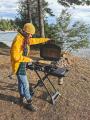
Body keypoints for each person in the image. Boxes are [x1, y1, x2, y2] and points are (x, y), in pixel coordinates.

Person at [10, 23, 50, 111]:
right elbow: (15, 57)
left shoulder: (25, 38)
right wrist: (29, 59)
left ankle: (21, 97)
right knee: (26, 84)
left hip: (22, 63)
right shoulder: (18, 39)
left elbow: (34, 41)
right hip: (18, 65)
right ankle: (29, 103)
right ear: (26, 32)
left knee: (21, 82)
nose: (31, 36)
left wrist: (46, 39)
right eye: (31, 34)